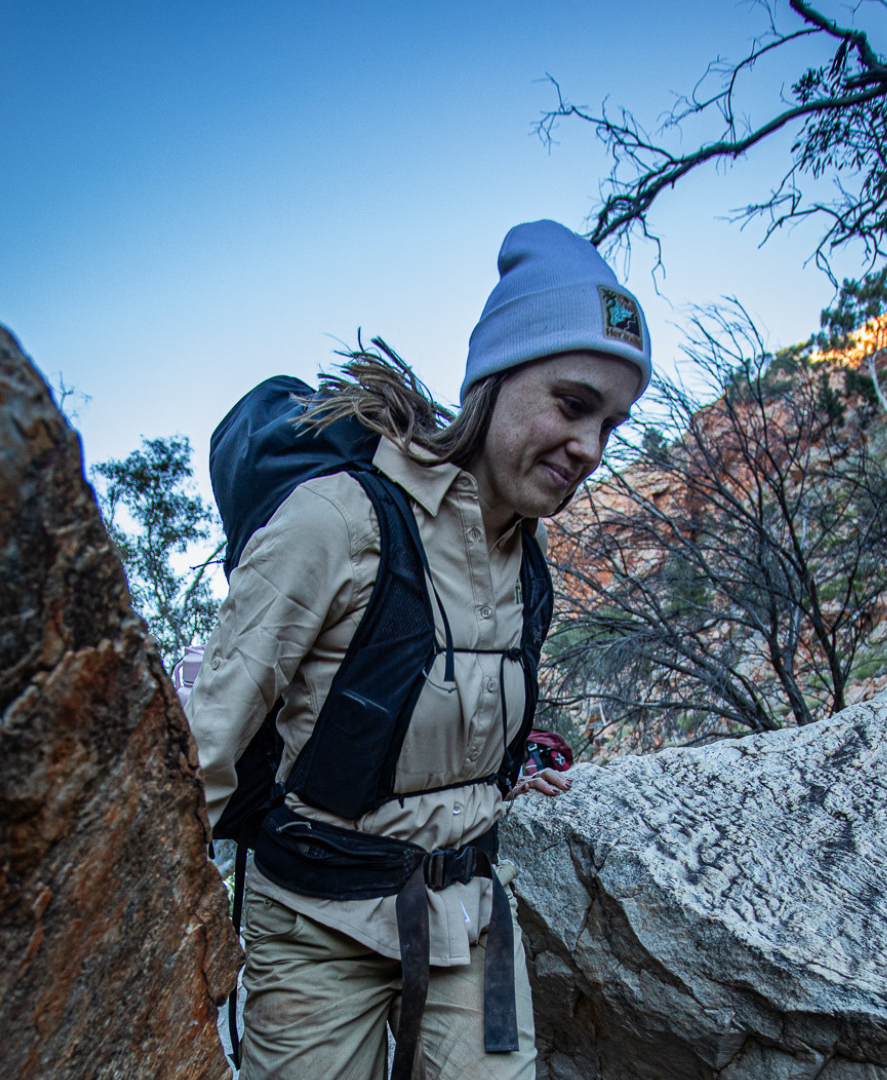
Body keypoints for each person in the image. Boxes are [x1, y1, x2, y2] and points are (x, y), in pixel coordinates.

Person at [187, 219, 651, 1080]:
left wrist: (502, 773)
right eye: (572, 404)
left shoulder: (527, 564)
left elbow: (437, 712)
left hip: (477, 919)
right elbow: (206, 750)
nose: (590, 447)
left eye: (612, 425)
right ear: (493, 381)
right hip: (313, 930)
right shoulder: (338, 520)